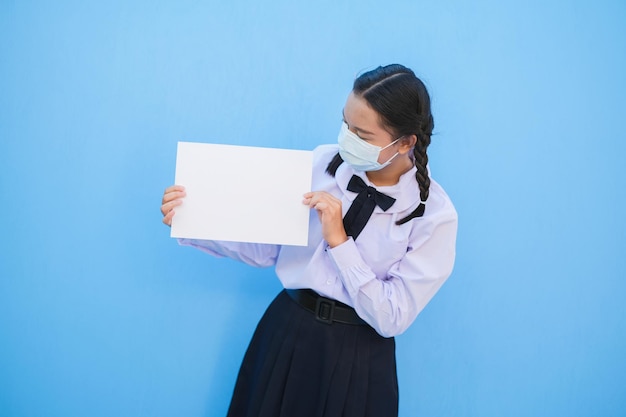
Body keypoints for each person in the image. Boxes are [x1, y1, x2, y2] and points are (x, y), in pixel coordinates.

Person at [160, 64, 457, 417]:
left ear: (405, 142)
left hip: (359, 357)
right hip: (288, 332)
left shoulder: (434, 215)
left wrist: (340, 242)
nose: (347, 138)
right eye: (345, 124)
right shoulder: (320, 163)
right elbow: (269, 247)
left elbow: (392, 317)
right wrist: (192, 218)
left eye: (362, 134)